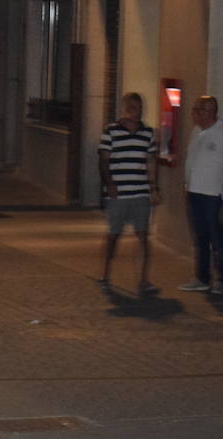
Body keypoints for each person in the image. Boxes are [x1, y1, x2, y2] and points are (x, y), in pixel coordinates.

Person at [97, 92, 159, 297]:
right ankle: (105, 275)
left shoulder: (147, 133)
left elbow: (150, 161)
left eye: (139, 108)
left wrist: (153, 187)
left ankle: (143, 280)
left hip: (140, 191)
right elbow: (104, 160)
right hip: (119, 193)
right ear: (123, 109)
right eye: (132, 108)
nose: (136, 112)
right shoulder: (111, 131)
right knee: (113, 234)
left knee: (142, 235)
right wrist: (109, 184)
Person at [178, 96, 223, 296]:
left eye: (197, 109)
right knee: (200, 237)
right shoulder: (196, 131)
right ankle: (201, 277)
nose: (193, 113)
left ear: (209, 111)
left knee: (218, 238)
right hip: (194, 191)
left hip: (213, 194)